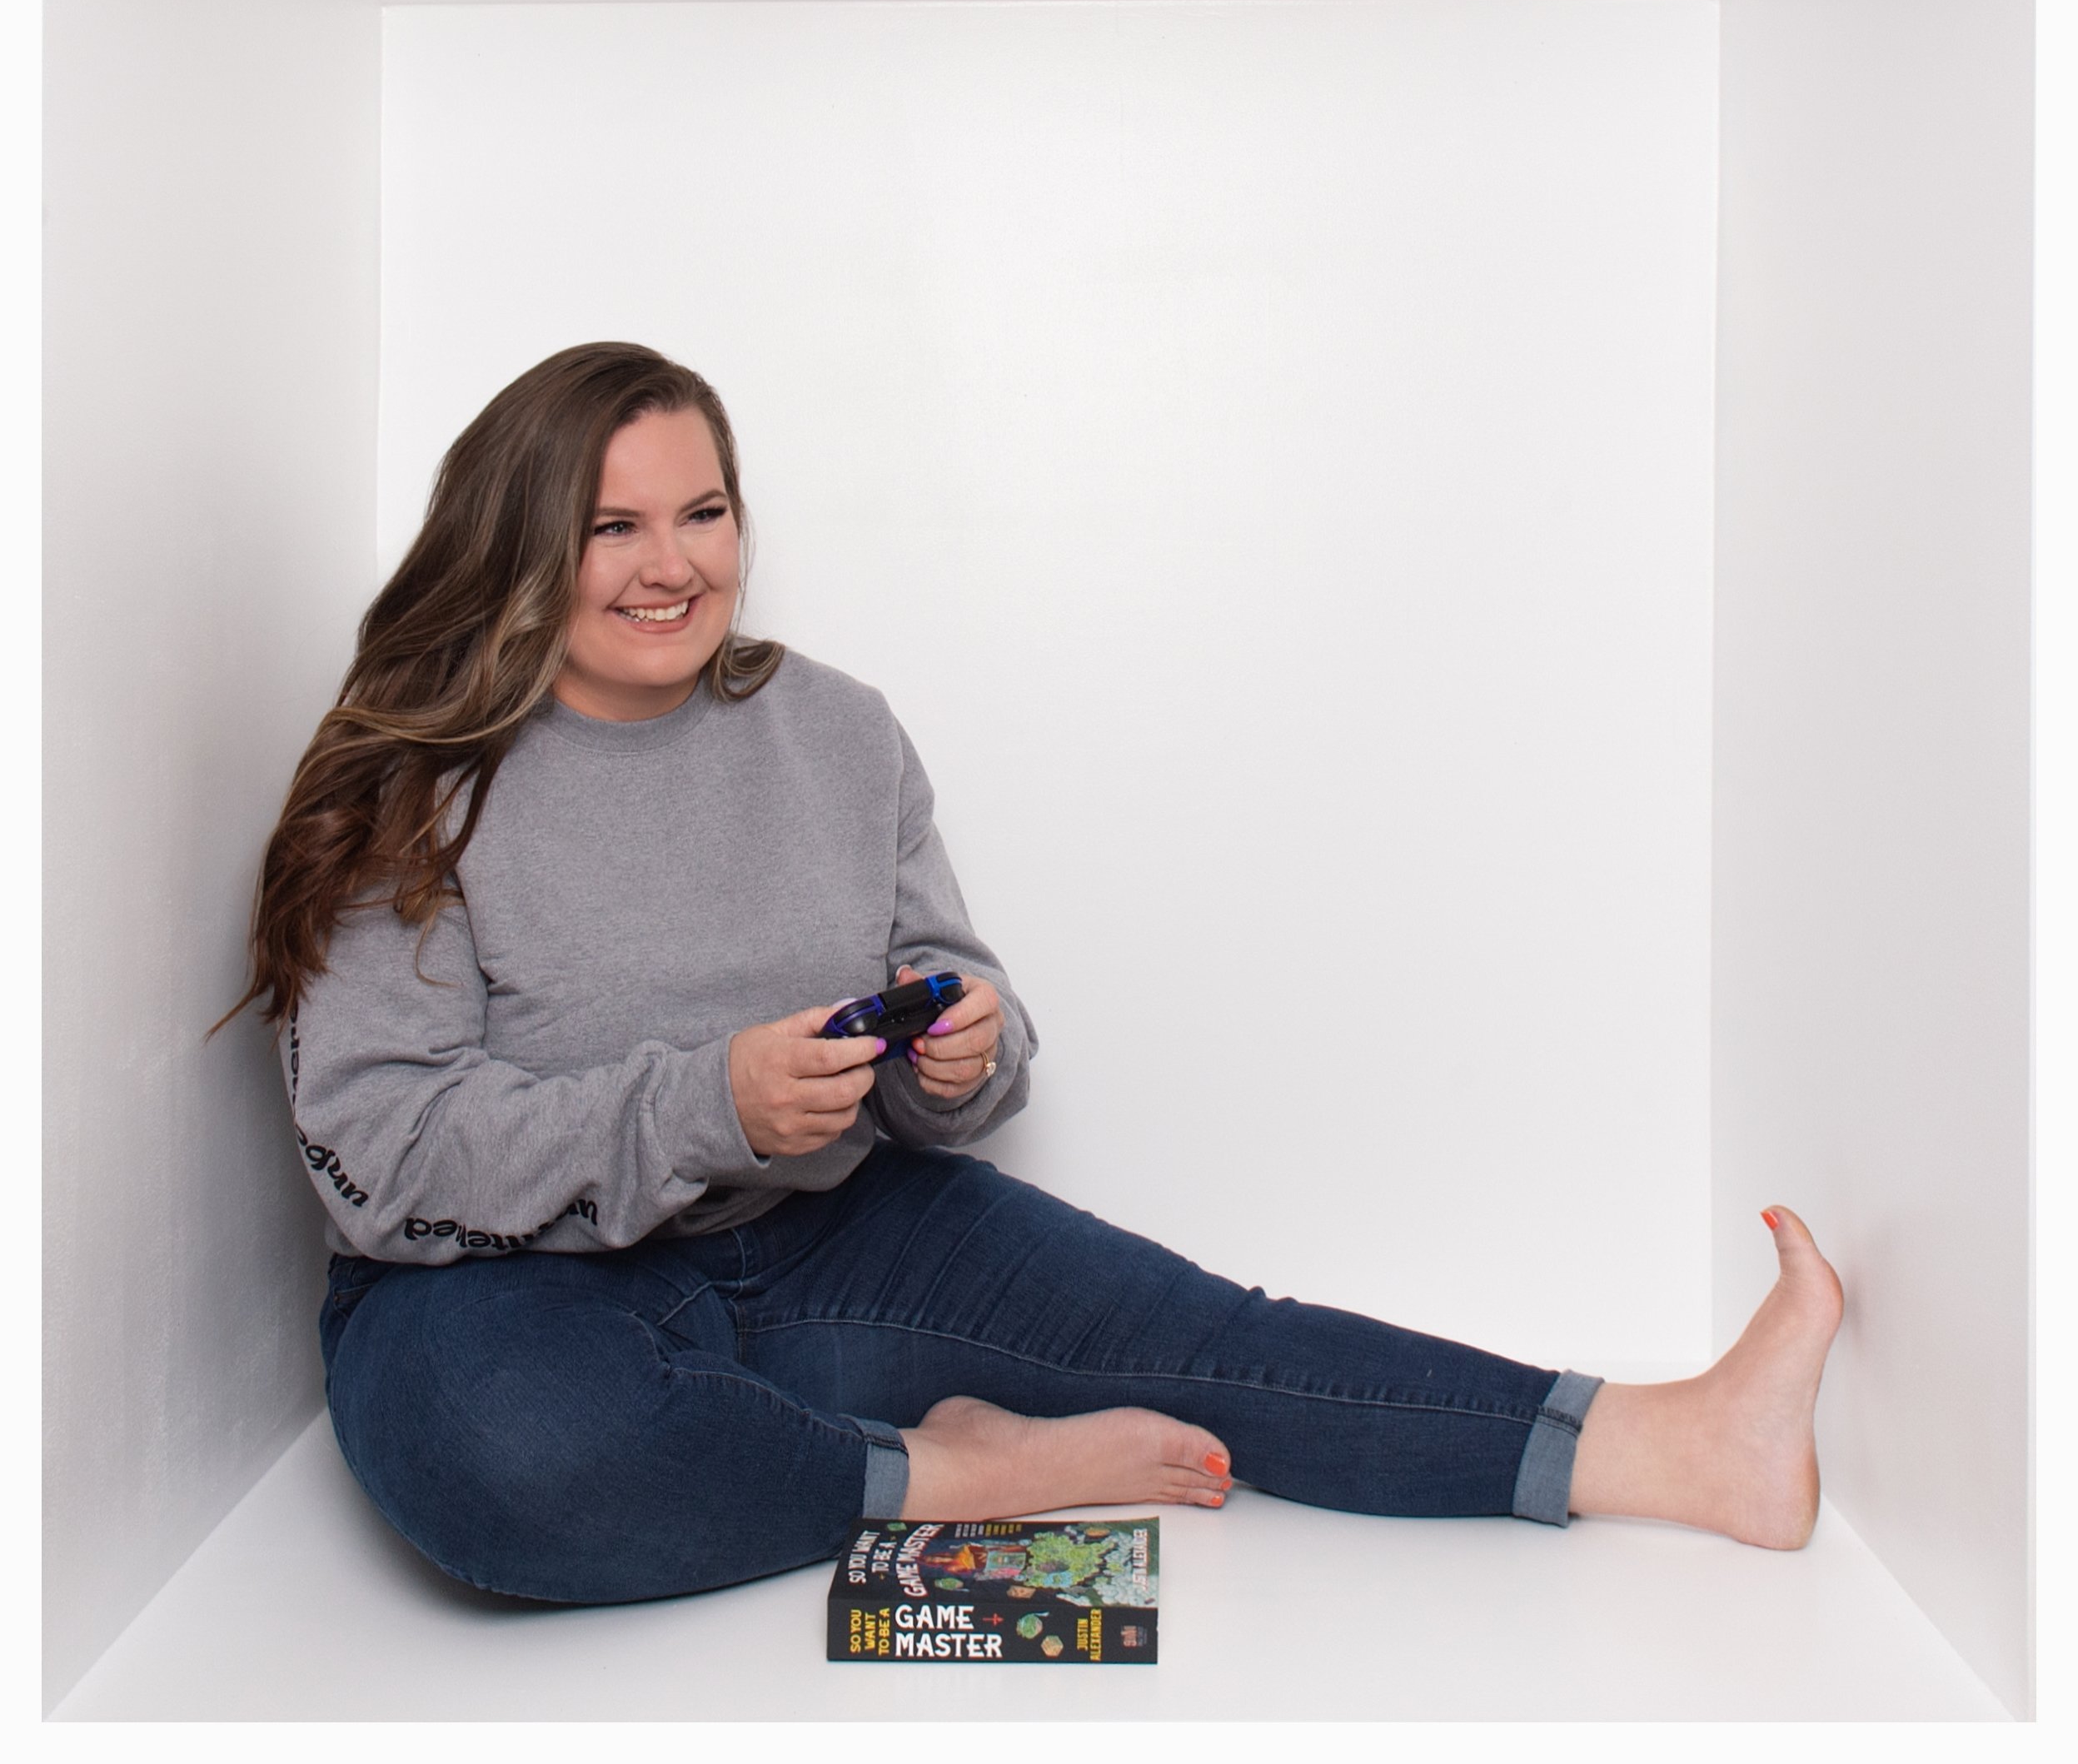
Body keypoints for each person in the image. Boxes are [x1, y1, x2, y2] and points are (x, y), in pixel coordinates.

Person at [236, 341, 1844, 1606]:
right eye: (613, 526)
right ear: (521, 543)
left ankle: (1677, 1441)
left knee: (1211, 1330)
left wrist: (960, 1059)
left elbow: (950, 999)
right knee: (503, 1456)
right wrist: (708, 1104)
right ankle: (954, 1478)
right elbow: (384, 1162)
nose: (673, 565)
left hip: (816, 1243)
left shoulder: (835, 729)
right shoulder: (412, 783)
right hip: (513, 1295)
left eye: (704, 513)